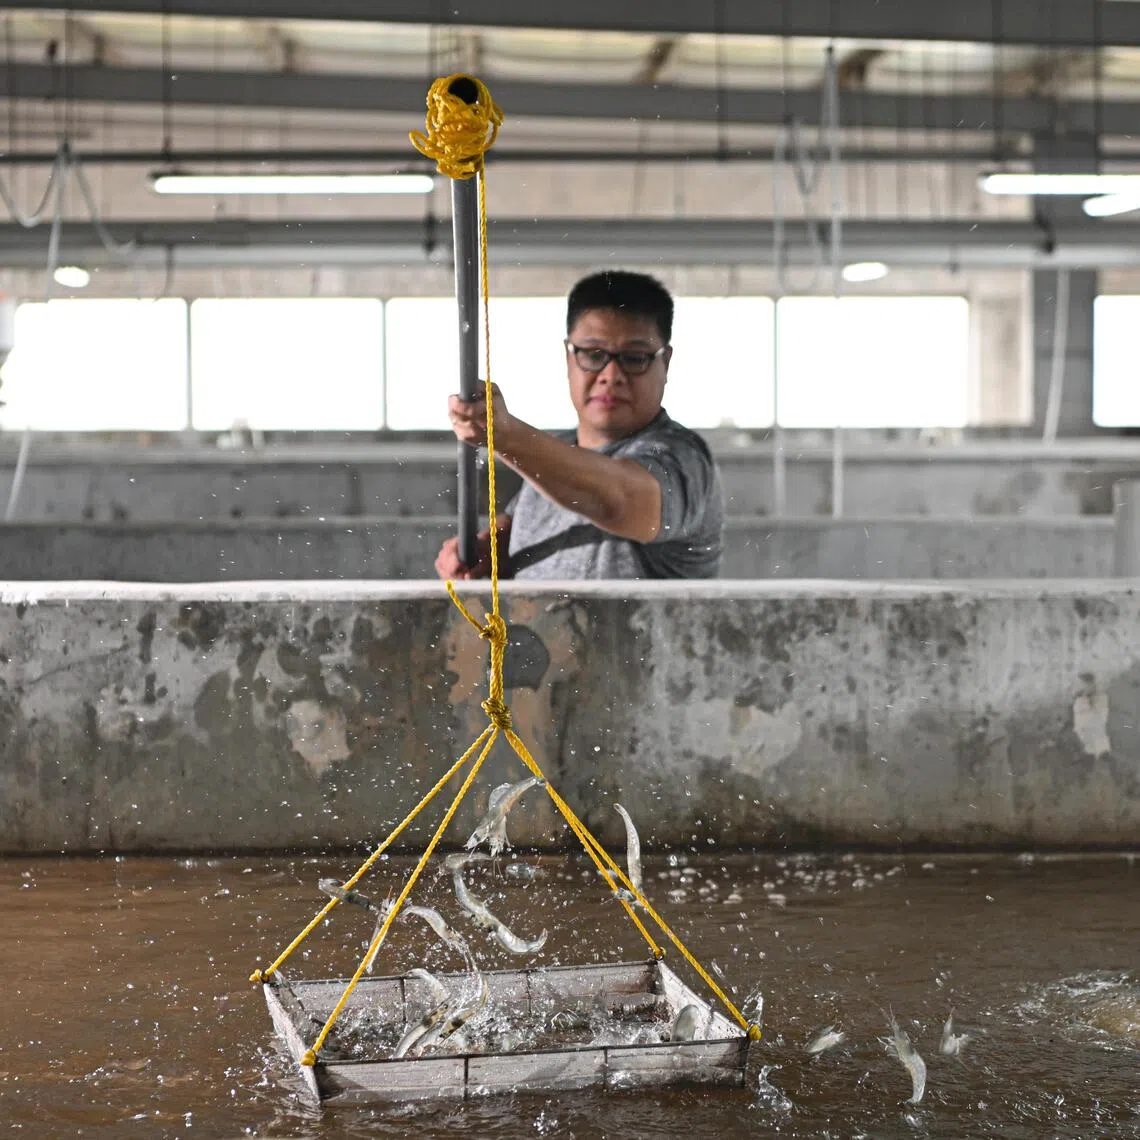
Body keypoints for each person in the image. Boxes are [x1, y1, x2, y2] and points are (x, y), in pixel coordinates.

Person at [434, 270, 724, 580]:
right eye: (593, 354)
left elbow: (620, 501)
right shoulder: (548, 460)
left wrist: (506, 435)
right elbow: (504, 542)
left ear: (664, 363)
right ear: (569, 357)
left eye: (635, 358)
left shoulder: (683, 459)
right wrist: (478, 554)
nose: (611, 375)